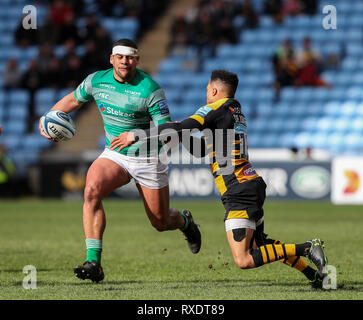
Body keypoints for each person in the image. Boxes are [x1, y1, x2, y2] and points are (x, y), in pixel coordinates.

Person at [115, 70, 328, 289]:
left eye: (207, 88)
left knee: (244, 259)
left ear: (214, 90)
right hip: (250, 183)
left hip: (238, 188)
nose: (206, 92)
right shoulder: (234, 112)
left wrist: (137, 135)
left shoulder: (216, 108)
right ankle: (314, 275)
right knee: (260, 244)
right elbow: (201, 149)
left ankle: (308, 247)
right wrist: (184, 135)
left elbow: (183, 126)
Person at [38, 38, 201, 283]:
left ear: (137, 60)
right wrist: (48, 118)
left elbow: (168, 132)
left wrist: (135, 136)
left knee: (160, 221)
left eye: (130, 57)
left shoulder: (150, 89)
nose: (125, 61)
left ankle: (186, 222)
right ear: (112, 59)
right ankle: (94, 263)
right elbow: (71, 101)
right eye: (120, 57)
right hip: (115, 154)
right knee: (91, 190)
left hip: (148, 157)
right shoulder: (96, 81)